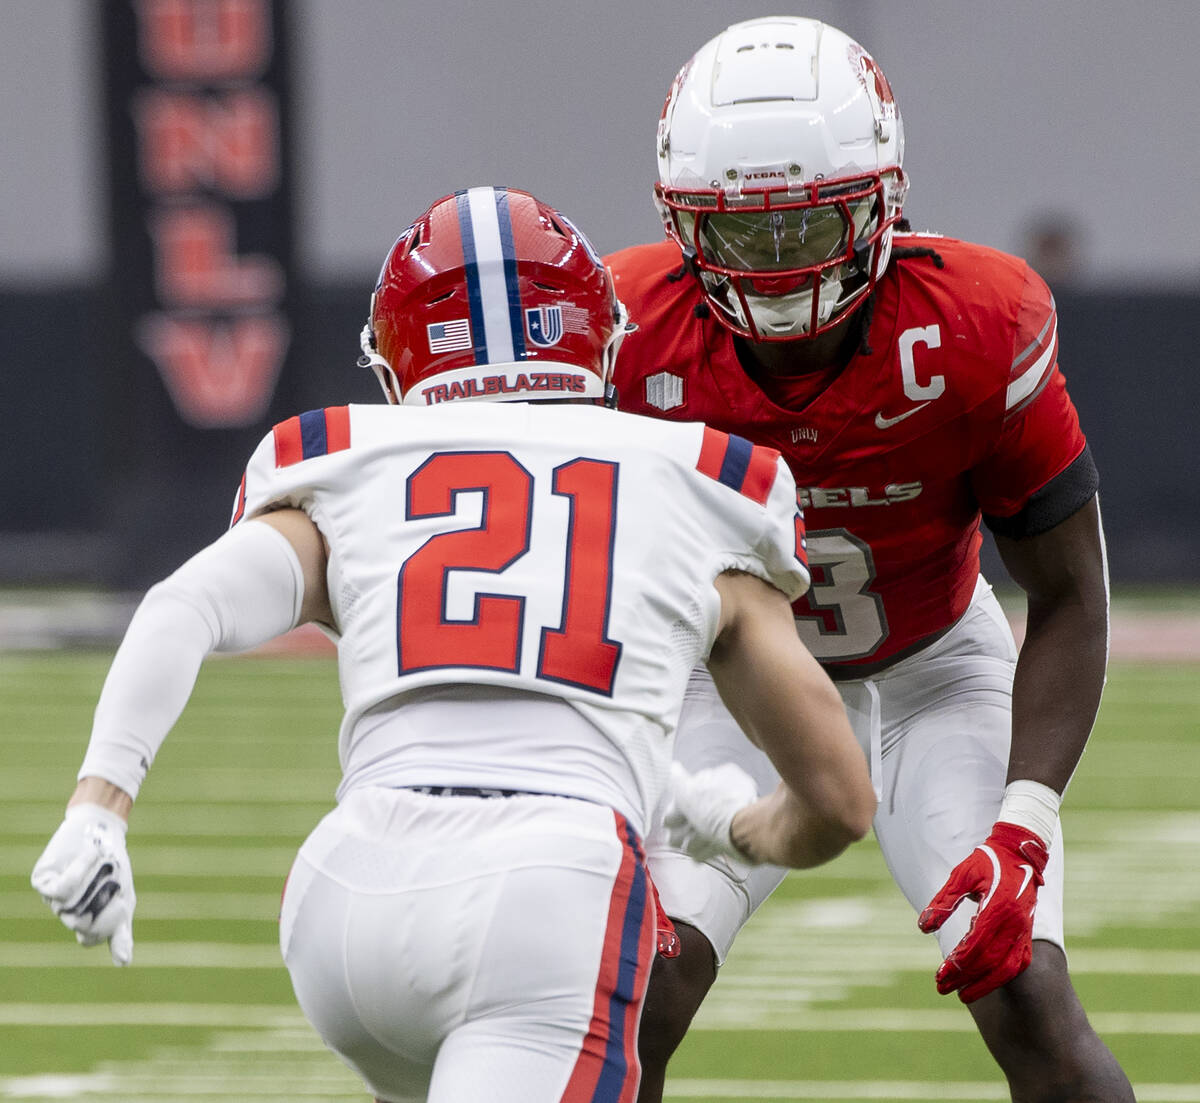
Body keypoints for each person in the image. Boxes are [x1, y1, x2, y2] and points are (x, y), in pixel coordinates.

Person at [30, 185, 876, 1103]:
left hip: (343, 899)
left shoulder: (346, 461)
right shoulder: (702, 479)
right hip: (549, 892)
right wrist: (731, 825)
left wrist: (98, 809)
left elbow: (182, 603)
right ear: (600, 338)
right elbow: (837, 799)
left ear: (399, 365)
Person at [603, 16, 1134, 1103]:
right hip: (735, 691)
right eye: (743, 236)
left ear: (885, 199)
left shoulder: (977, 324)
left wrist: (1024, 823)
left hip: (935, 671)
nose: (780, 268)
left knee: (1023, 985)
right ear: (680, 222)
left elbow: (1073, 596)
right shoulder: (626, 333)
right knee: (629, 999)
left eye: (810, 226)